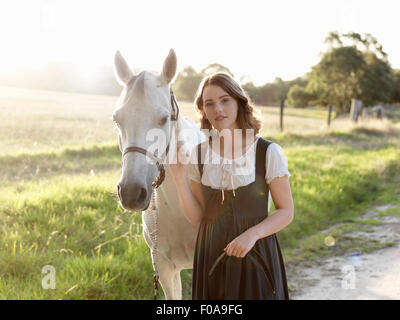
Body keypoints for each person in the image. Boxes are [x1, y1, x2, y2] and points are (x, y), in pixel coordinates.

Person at [169, 72, 294, 300]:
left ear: (239, 102)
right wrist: (179, 180)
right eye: (210, 104)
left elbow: (286, 211)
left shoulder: (267, 152)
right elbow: (198, 217)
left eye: (225, 100)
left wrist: (252, 235)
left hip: (255, 254)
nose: (218, 109)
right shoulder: (199, 155)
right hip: (211, 257)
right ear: (203, 110)